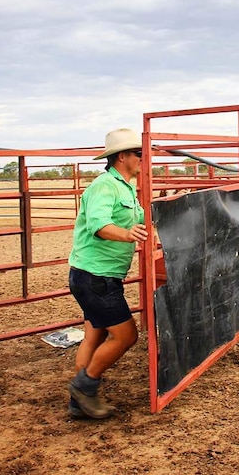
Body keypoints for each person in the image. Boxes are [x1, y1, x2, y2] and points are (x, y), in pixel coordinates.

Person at [67, 128, 149, 419]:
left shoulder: (126, 187)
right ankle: (84, 388)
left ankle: (79, 402)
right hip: (95, 276)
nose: (143, 158)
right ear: (122, 156)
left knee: (95, 334)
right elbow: (99, 225)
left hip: (95, 274)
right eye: (139, 153)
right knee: (127, 335)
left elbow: (139, 219)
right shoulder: (105, 186)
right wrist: (127, 235)